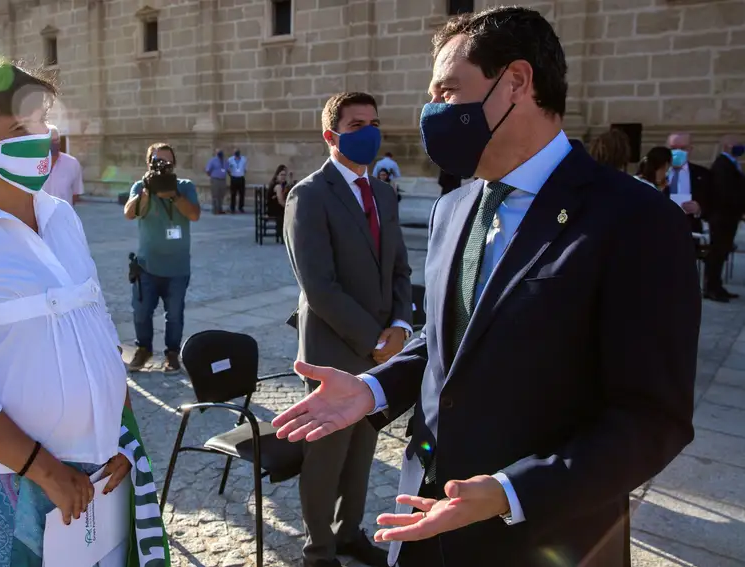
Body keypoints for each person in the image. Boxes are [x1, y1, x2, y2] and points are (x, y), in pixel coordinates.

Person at [271, 8, 699, 567]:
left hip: (544, 539)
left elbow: (652, 419)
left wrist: (509, 492)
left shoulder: (635, 220)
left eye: (448, 91)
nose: (433, 110)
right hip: (425, 521)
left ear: (516, 82)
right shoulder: (454, 207)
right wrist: (372, 390)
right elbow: (450, 340)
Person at [0, 59, 170, 567]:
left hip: (93, 471)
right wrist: (47, 471)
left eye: (43, 118)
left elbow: (94, 334)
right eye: (20, 127)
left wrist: (116, 437)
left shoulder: (61, 216)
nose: (43, 135)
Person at [284, 91, 413, 567]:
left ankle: (349, 531)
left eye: (374, 122)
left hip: (381, 347)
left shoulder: (381, 191)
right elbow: (319, 286)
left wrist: (399, 326)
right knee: (327, 458)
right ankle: (318, 551)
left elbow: (400, 268)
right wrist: (373, 340)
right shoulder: (309, 195)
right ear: (331, 135)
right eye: (357, 124)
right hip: (333, 350)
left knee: (362, 450)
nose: (369, 132)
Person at [123, 143, 201, 373]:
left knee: (174, 315)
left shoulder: (185, 186)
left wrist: (174, 196)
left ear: (174, 164)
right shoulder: (140, 186)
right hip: (147, 265)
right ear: (148, 165)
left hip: (177, 267)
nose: (162, 167)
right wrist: (147, 191)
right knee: (141, 312)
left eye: (166, 162)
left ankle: (172, 354)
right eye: (157, 162)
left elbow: (194, 215)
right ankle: (143, 349)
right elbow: (129, 213)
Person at [704, 135, 745, 302]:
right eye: (737, 145)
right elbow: (726, 192)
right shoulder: (722, 165)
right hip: (722, 217)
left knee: (723, 252)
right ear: (727, 146)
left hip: (730, 216)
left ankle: (717, 285)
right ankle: (711, 287)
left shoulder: (732, 164)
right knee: (717, 252)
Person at [666, 132, 711, 235]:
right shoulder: (655, 172)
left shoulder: (703, 174)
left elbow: (714, 203)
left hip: (690, 231)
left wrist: (699, 209)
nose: (677, 152)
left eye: (682, 148)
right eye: (673, 148)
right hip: (660, 229)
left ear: (690, 149)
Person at [44, 125, 85, 205]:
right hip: (39, 216)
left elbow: (75, 194)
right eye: (50, 141)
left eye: (56, 140)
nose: (54, 144)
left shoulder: (72, 163)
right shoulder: (33, 164)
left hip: (63, 215)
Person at [267, 164, 289, 240]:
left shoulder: (279, 184)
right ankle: (284, 234)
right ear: (277, 175)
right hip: (274, 210)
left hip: (274, 208)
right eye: (281, 175)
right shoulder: (278, 186)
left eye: (284, 175)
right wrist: (288, 208)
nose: (283, 177)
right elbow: (280, 201)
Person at [204, 149, 228, 214]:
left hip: (223, 180)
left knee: (221, 195)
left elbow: (227, 169)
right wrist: (212, 176)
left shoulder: (225, 161)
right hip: (215, 179)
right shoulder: (212, 160)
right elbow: (208, 170)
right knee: (215, 195)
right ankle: (215, 209)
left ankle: (220, 209)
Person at [227, 148, 248, 214]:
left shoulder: (244, 159)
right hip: (233, 178)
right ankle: (232, 208)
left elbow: (245, 169)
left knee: (242, 194)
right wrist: (231, 175)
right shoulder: (230, 159)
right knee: (233, 194)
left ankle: (241, 207)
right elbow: (228, 169)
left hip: (241, 178)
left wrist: (241, 173)